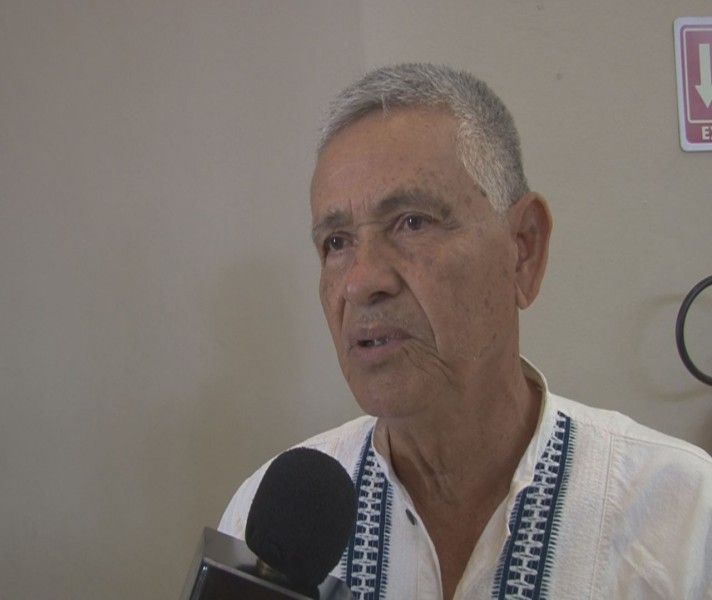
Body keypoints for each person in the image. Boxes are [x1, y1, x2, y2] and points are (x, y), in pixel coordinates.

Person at [219, 63, 712, 599]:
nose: (360, 282)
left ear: (523, 249)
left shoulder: (685, 519)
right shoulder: (265, 525)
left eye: (412, 222)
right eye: (336, 242)